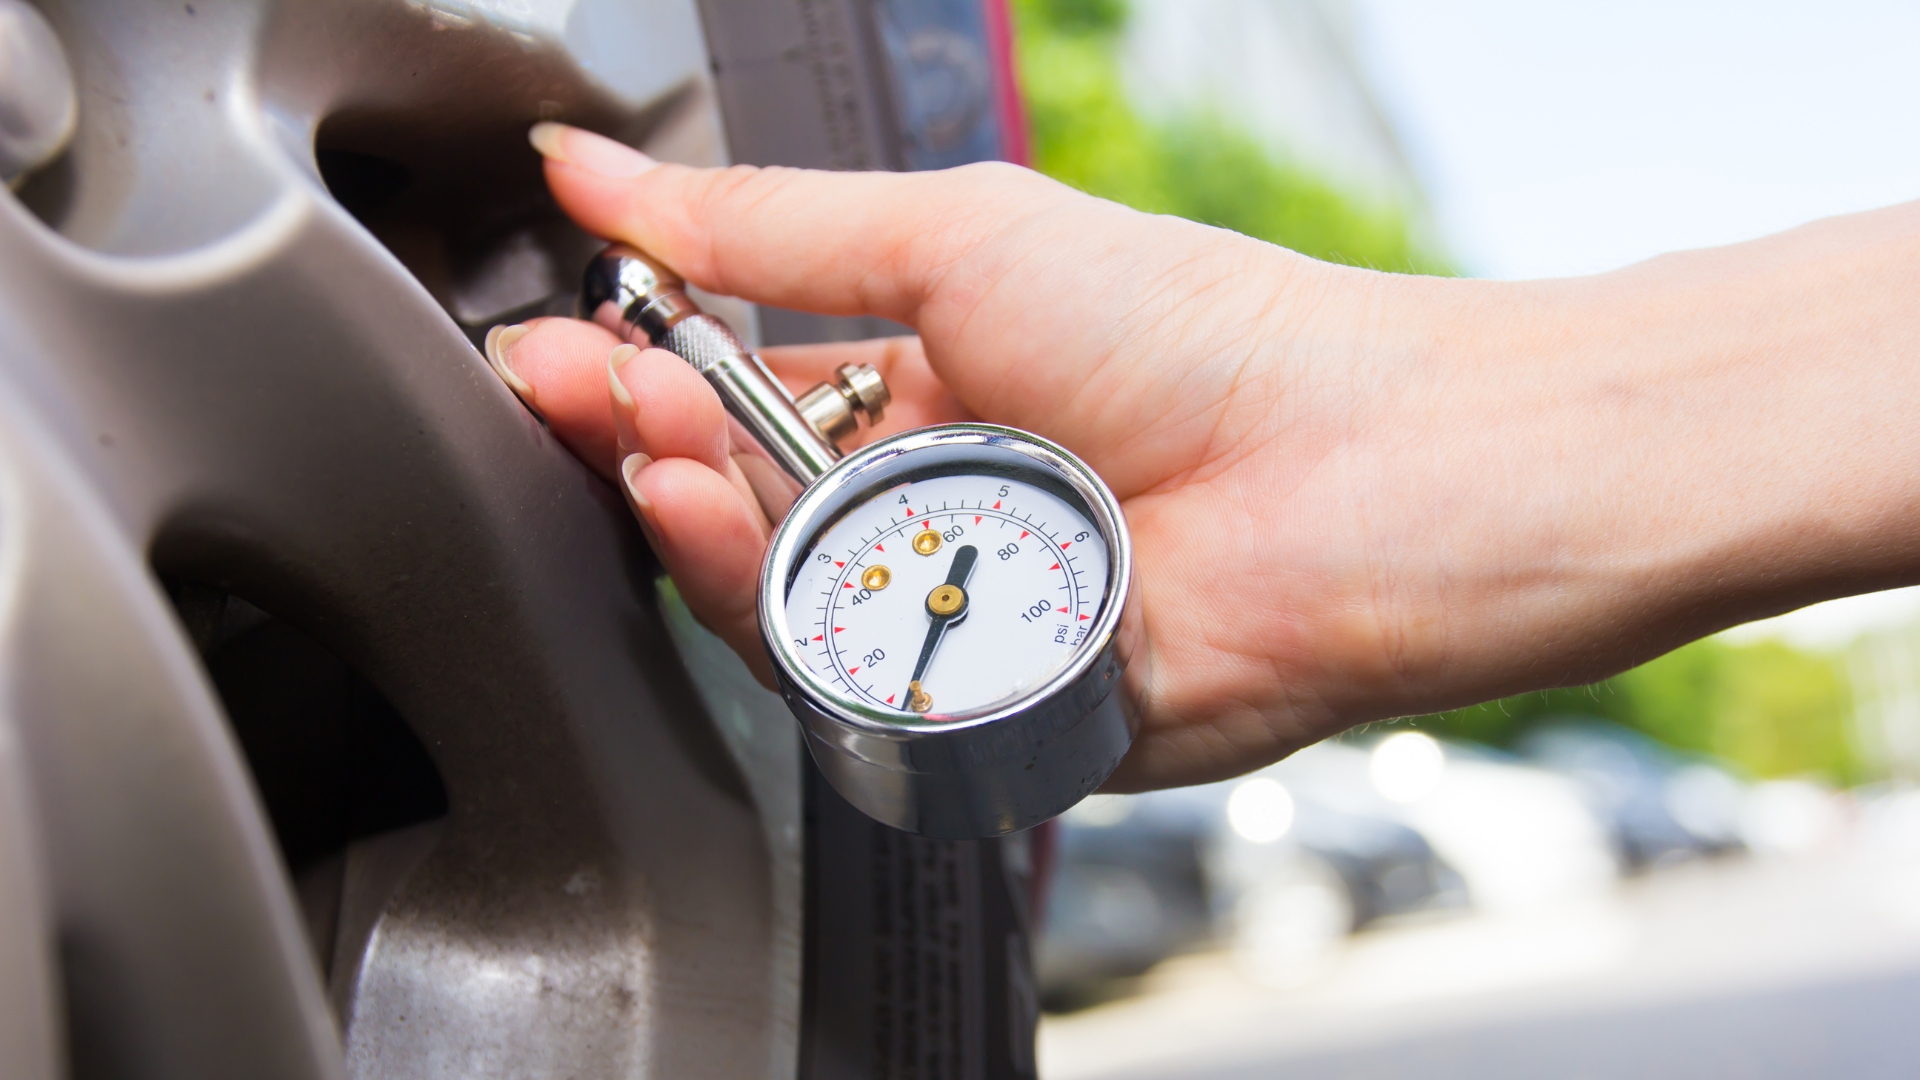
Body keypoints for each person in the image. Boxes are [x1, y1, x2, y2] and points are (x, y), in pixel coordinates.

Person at [485, 121, 1920, 794]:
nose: (936, 593)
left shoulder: (944, 521)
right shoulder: (923, 532)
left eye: (949, 580)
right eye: (941, 588)